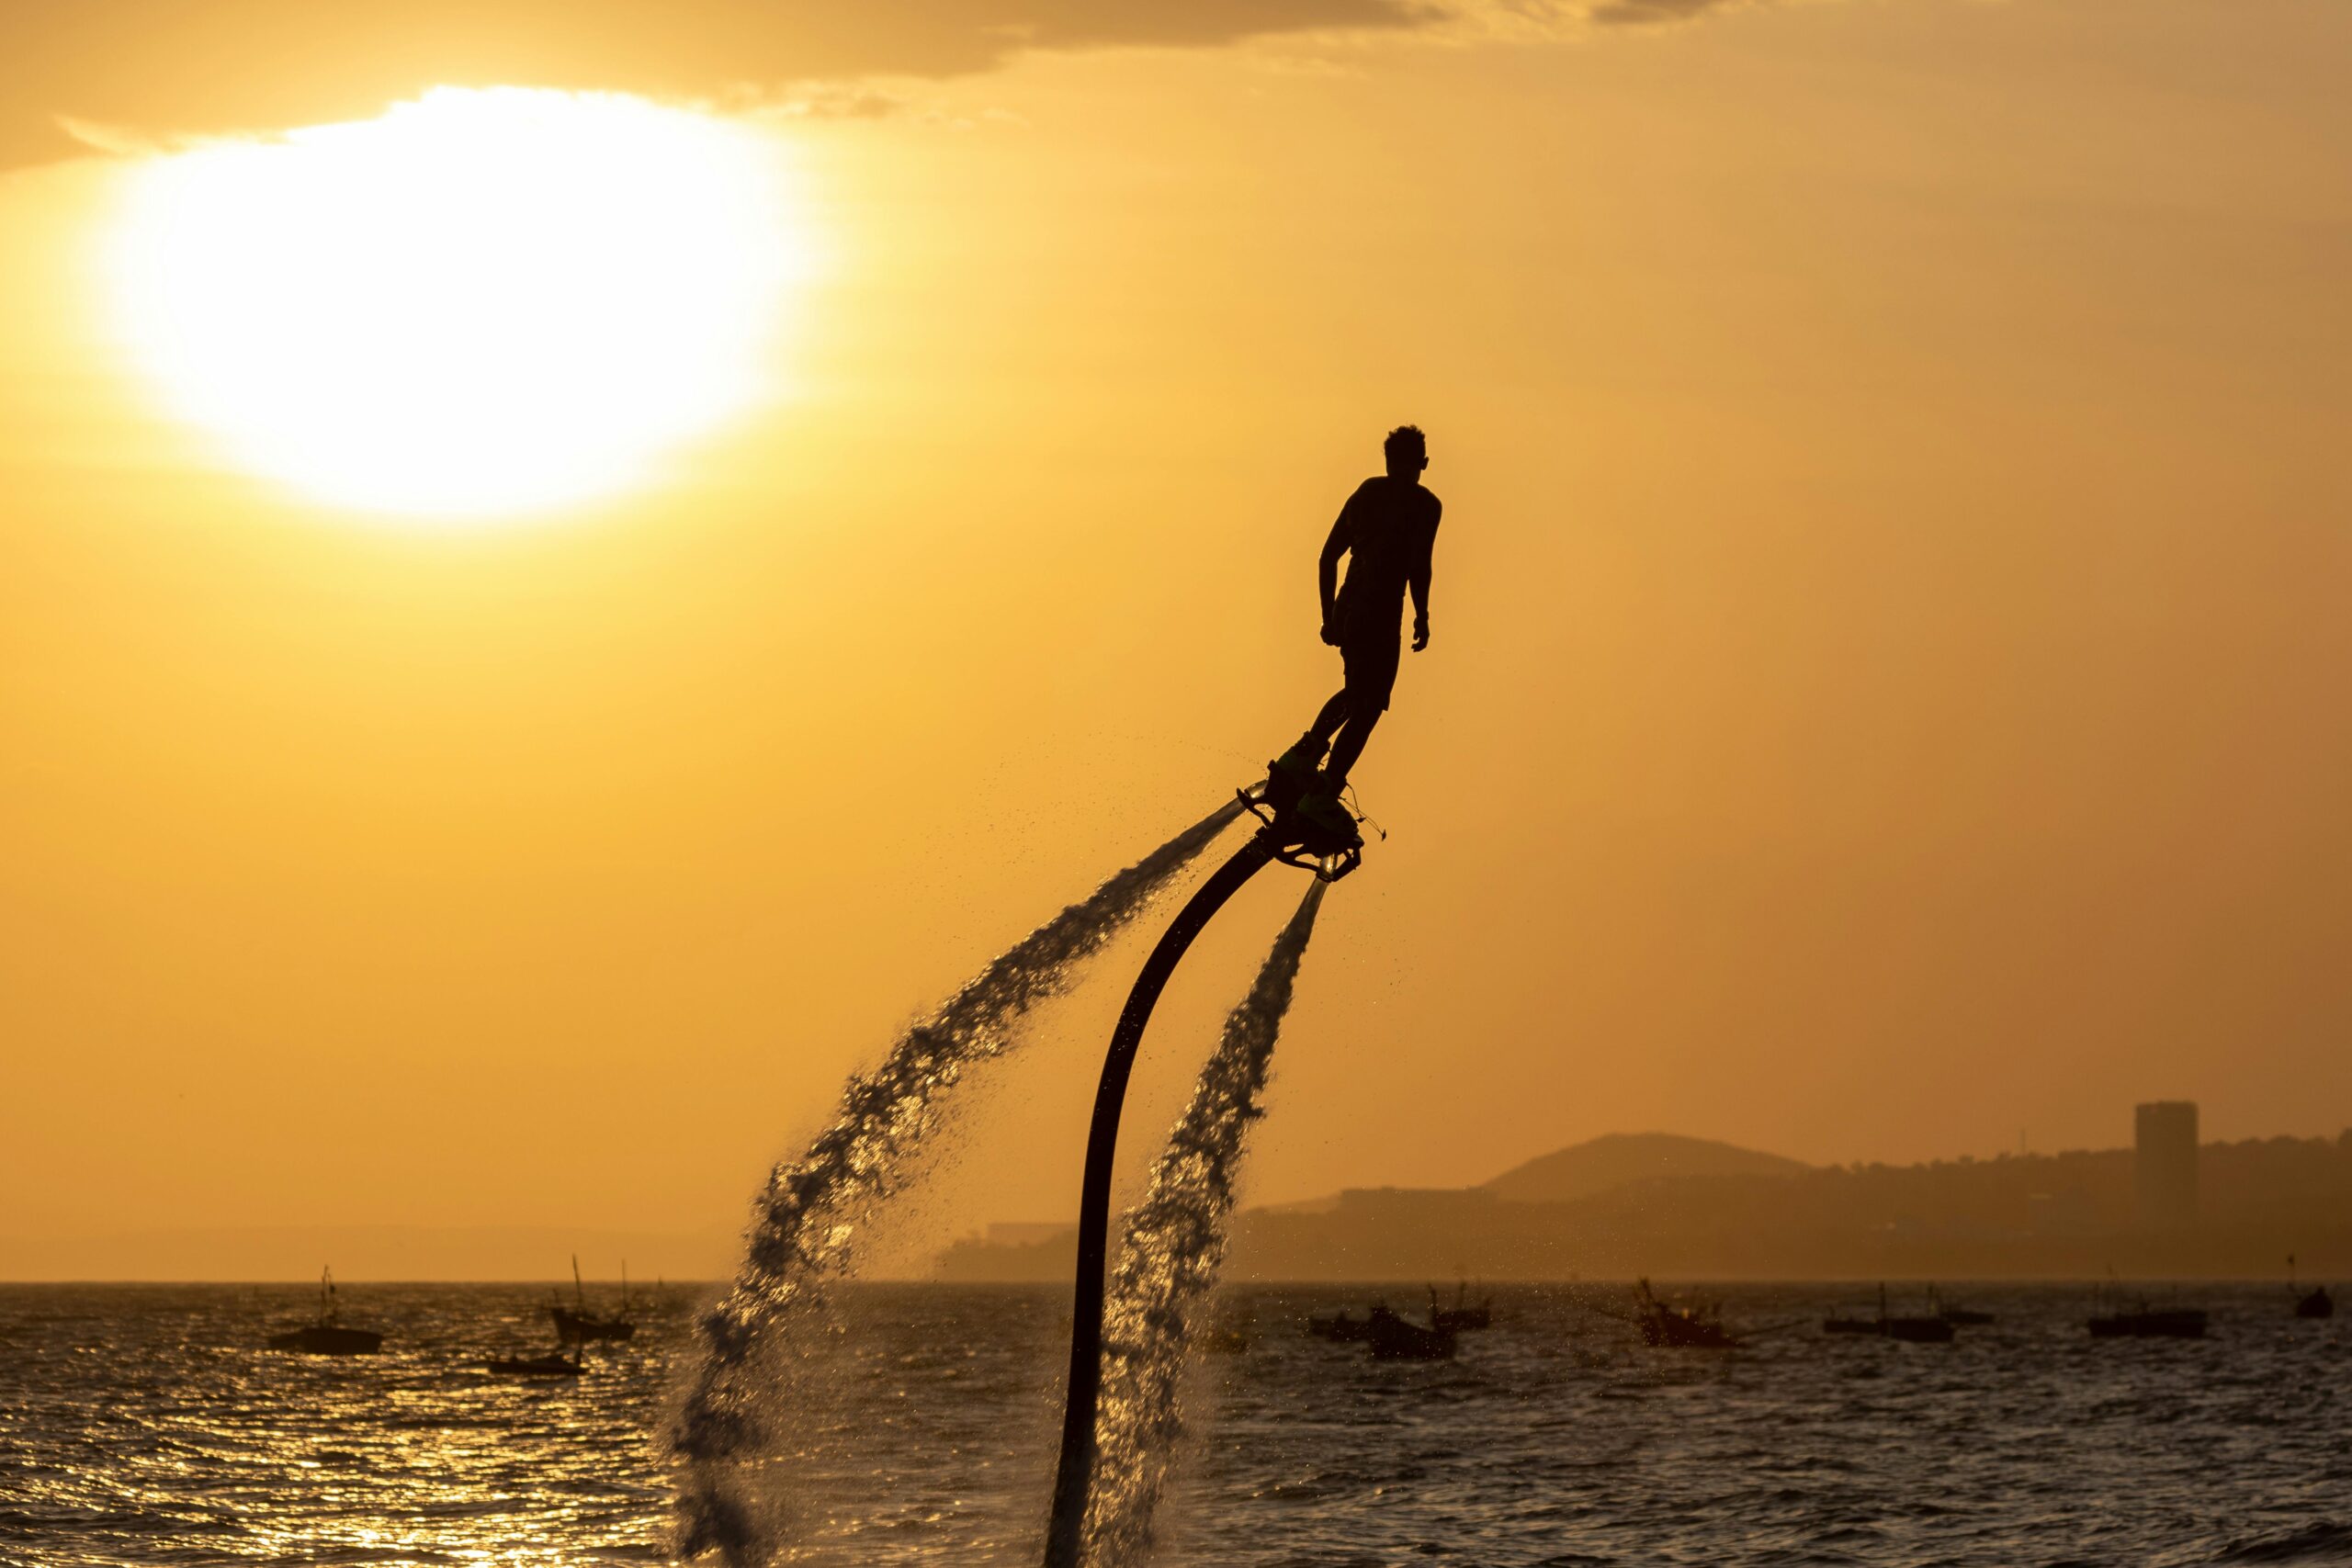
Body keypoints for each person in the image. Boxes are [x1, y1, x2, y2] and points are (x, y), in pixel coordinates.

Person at [1272, 424, 1441, 836]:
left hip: (1352, 612)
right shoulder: (1425, 505)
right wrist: (1422, 614)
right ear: (1422, 464)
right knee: (1367, 708)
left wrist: (1331, 615)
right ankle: (1321, 793)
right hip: (1379, 617)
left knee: (1357, 695)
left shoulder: (1368, 493)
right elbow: (1419, 566)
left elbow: (1328, 557)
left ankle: (1305, 757)